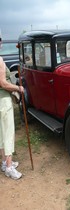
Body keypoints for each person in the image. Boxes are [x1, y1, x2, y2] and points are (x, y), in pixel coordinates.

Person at [0, 37, 24, 180]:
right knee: (8, 133)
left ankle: (4, 162)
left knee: (1, 133)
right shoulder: (0, 61)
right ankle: (9, 167)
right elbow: (3, 83)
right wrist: (18, 88)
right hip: (3, 101)